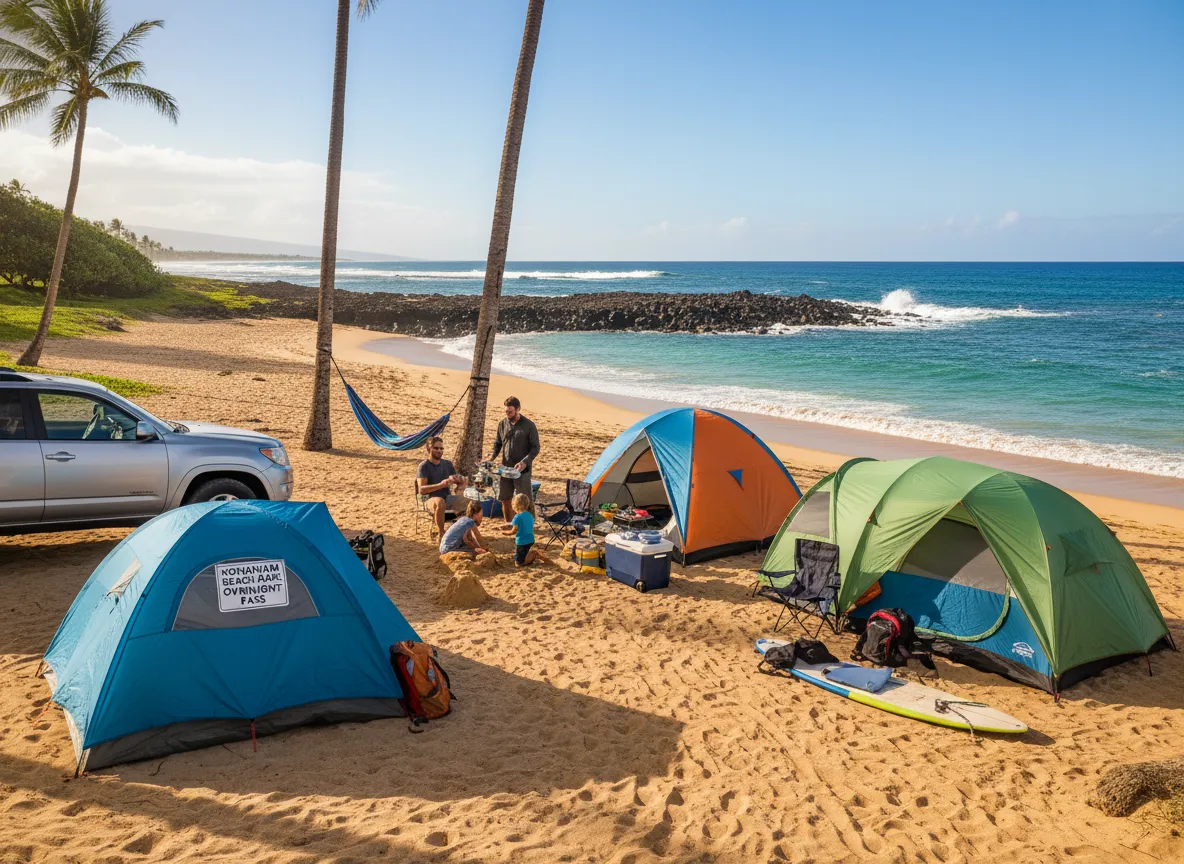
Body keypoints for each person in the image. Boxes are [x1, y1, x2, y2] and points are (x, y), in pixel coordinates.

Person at [489, 396, 540, 521]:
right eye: (506, 411)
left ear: (518, 409)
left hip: (522, 470)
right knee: (505, 499)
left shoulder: (529, 426)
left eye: (510, 412)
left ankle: (528, 526)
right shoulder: (502, 424)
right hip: (505, 469)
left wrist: (525, 462)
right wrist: (491, 457)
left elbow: (535, 448)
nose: (507, 414)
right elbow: (498, 443)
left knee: (525, 500)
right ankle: (510, 523)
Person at [416, 436, 467, 537]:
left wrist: (461, 482)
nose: (439, 451)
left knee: (470, 501)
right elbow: (421, 490)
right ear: (428, 449)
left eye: (441, 448)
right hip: (429, 500)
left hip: (447, 498)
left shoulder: (447, 464)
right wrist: (441, 485)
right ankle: (441, 533)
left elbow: (456, 481)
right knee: (440, 502)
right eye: (436, 448)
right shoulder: (423, 466)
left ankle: (462, 531)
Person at [500, 492, 540, 567]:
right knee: (522, 553)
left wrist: (507, 533)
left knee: (518, 563)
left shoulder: (517, 517)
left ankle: (532, 555)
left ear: (515, 505)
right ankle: (529, 555)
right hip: (530, 539)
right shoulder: (529, 515)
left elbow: (514, 530)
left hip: (522, 541)